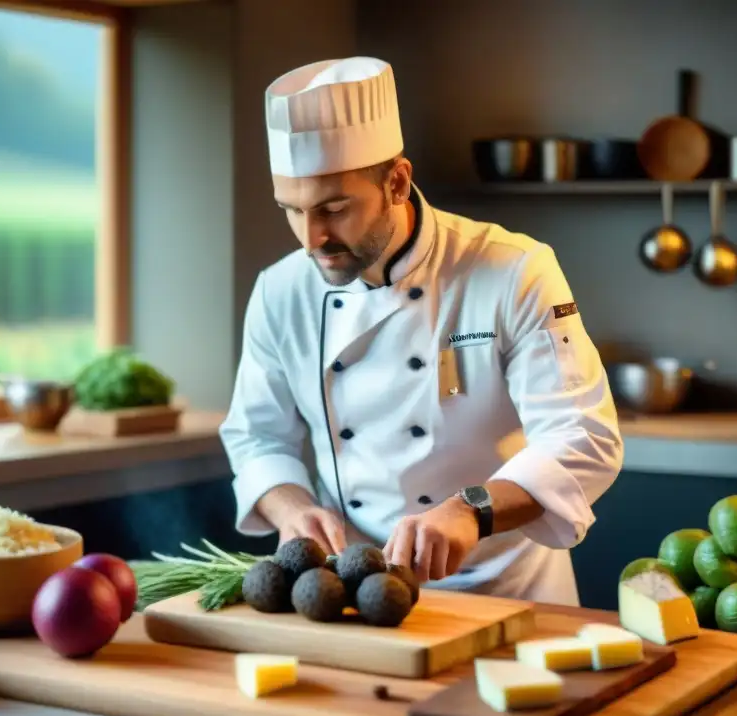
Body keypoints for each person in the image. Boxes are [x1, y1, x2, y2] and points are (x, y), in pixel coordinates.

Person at [218, 56, 623, 606]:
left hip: (509, 590)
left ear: (397, 182)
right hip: (357, 595)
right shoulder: (280, 290)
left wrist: (469, 510)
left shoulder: (513, 269)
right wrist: (292, 510)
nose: (311, 238)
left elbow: (584, 437)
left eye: (334, 209)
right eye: (291, 210)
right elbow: (257, 436)